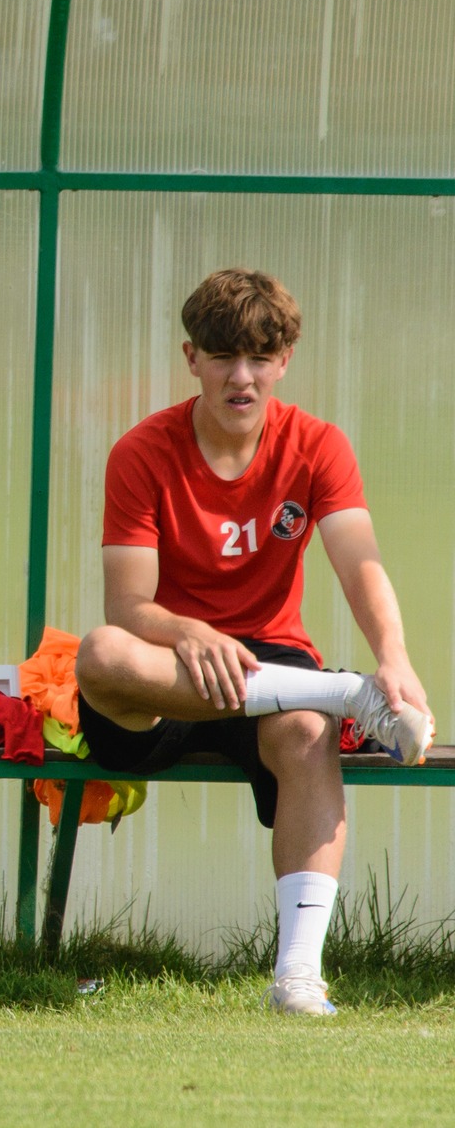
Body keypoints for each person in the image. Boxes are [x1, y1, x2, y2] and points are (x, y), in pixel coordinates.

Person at [74, 268, 435, 1016]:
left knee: (307, 732)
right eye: (223, 356)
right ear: (191, 358)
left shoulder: (318, 446)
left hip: (273, 663)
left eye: (260, 357)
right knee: (99, 655)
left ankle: (298, 976)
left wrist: (394, 659)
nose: (242, 377)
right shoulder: (141, 452)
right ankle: (342, 692)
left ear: (285, 359)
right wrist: (189, 630)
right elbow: (128, 605)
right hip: (171, 668)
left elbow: (361, 564)